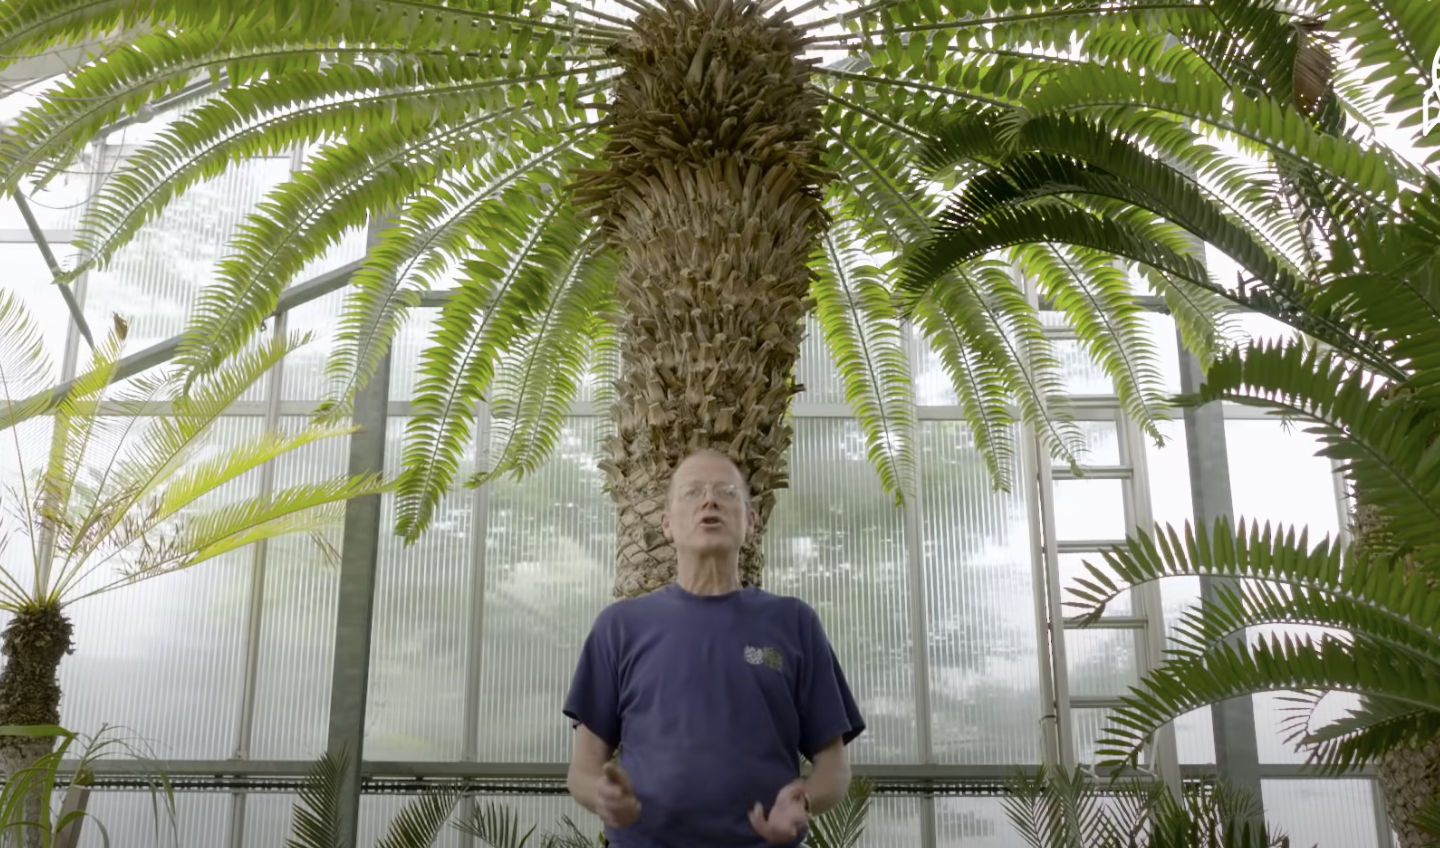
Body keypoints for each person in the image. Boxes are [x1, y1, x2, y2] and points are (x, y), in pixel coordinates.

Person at [563, 449, 866, 848]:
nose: (710, 500)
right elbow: (582, 770)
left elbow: (834, 768)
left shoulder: (794, 623)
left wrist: (803, 800)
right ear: (667, 525)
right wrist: (603, 797)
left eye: (726, 492)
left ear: (751, 520)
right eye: (692, 492)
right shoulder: (619, 626)